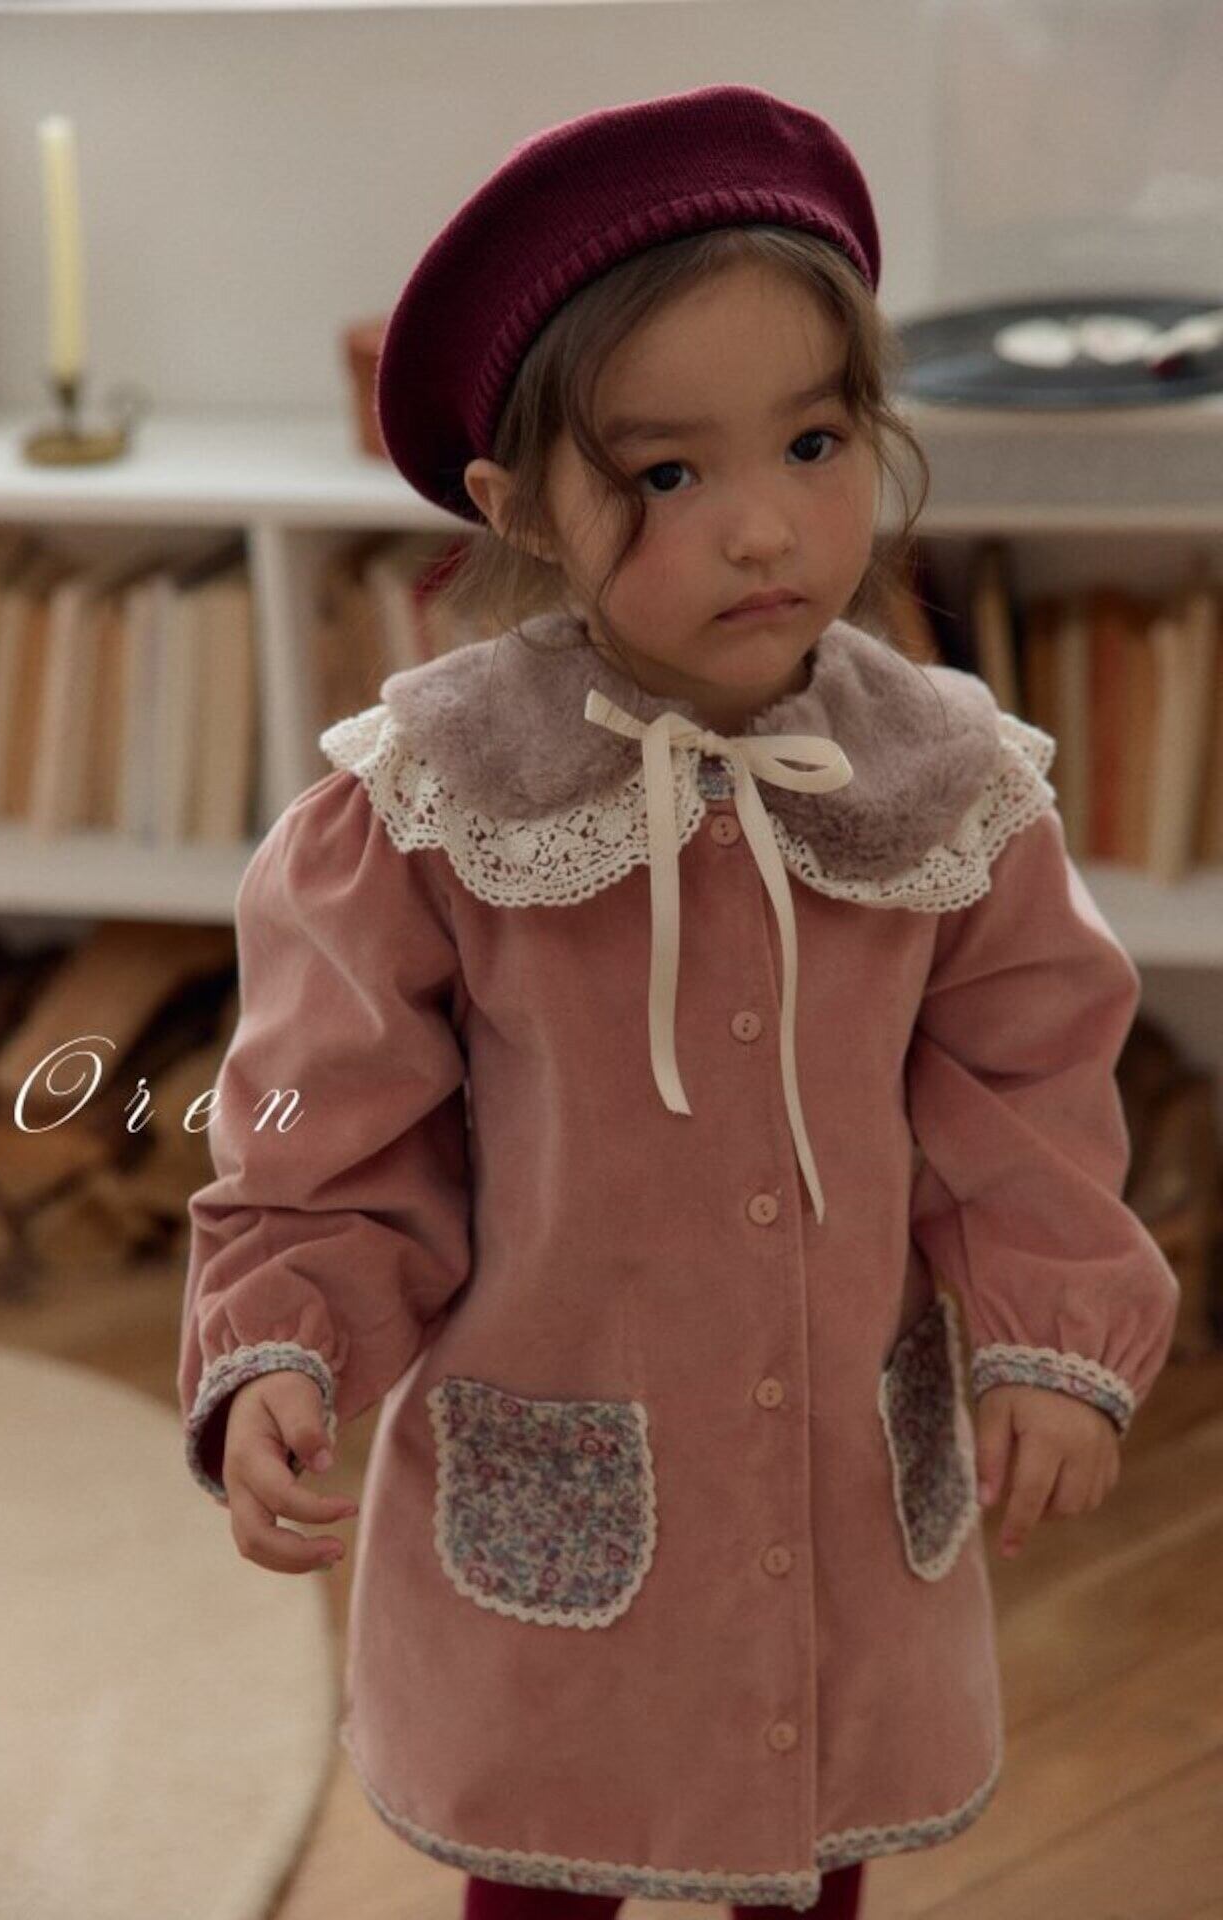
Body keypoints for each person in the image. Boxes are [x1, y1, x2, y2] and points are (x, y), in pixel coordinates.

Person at [177, 86, 1181, 1919]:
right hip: (557, 1443)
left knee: (823, 1813)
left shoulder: (950, 786)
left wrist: (1055, 1335)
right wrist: (281, 1343)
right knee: (544, 1831)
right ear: (517, 511)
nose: (763, 528)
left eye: (813, 441)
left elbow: (1029, 1084)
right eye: (664, 475)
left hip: (839, 1461)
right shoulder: (428, 808)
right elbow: (324, 1125)